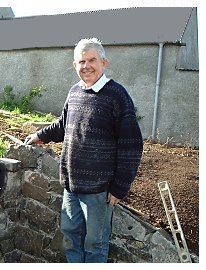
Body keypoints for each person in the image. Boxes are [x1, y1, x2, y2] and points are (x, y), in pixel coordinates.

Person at [24, 38, 143, 263]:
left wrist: (120, 187)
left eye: (92, 60)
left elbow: (132, 145)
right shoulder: (75, 91)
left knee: (94, 243)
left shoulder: (117, 96)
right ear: (74, 65)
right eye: (81, 61)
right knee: (70, 236)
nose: (86, 65)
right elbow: (63, 125)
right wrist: (39, 136)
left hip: (99, 190)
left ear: (104, 63)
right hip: (71, 185)